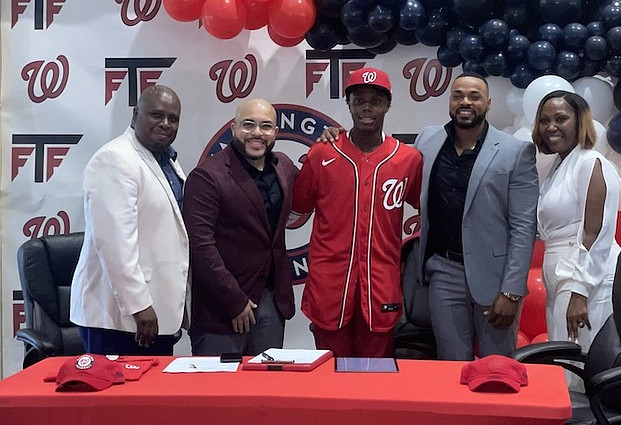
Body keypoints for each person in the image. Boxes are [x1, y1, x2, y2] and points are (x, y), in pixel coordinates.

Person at [293, 67, 423, 358]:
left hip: (380, 284)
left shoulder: (408, 159)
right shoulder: (322, 153)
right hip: (330, 284)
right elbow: (298, 207)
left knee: (374, 379)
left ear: (388, 105)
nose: (367, 107)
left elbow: (424, 206)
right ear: (348, 104)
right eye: (359, 99)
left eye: (375, 101)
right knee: (329, 376)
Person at [415, 72, 539, 361]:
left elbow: (524, 226)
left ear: (488, 103)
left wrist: (511, 291)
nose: (465, 101)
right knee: (450, 368)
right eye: (458, 95)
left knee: (497, 369)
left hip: (496, 279)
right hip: (443, 272)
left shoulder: (515, 151)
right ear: (450, 101)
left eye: (474, 96)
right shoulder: (427, 141)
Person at [70, 85, 189, 355]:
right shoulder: (115, 159)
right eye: (157, 115)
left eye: (173, 119)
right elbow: (113, 243)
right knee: (117, 397)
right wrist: (138, 305)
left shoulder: (165, 160)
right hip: (121, 318)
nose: (166, 124)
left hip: (156, 313)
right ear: (136, 115)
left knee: (152, 397)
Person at [182, 98, 298, 356]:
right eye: (248, 125)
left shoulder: (284, 167)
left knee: (266, 390)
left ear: (275, 133)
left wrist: (331, 140)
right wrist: (234, 301)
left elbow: (316, 183)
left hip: (271, 301)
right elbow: (200, 246)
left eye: (266, 126)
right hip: (222, 307)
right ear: (233, 128)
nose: (257, 133)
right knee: (219, 392)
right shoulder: (207, 176)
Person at [532, 90, 621, 351]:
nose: (551, 127)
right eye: (544, 120)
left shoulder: (591, 162)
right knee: (563, 362)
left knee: (578, 366)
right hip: (562, 275)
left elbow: (596, 232)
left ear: (580, 122)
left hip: (584, 279)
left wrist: (579, 291)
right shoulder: (558, 166)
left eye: (561, 119)